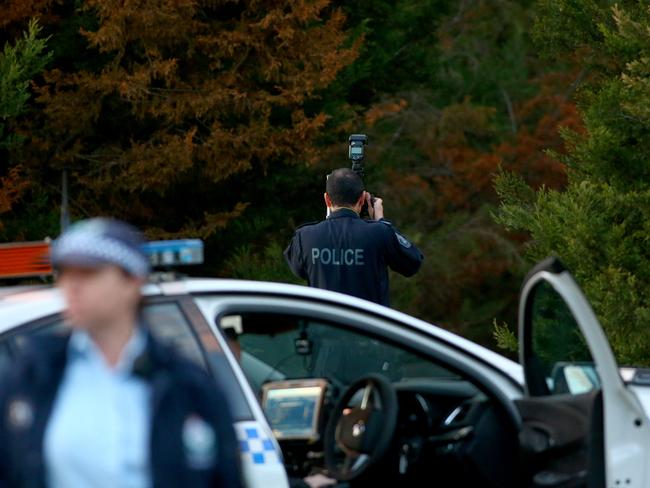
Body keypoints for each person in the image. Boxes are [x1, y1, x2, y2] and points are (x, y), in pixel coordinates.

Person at [0, 218, 242, 488]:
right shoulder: (31, 374)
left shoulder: (186, 384)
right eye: (66, 273)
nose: (72, 286)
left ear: (133, 282)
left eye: (89, 273)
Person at [284, 168, 423, 306]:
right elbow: (413, 262)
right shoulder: (380, 233)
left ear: (327, 199)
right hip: (366, 326)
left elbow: (299, 270)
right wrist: (382, 221)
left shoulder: (305, 236)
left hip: (324, 326)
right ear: (362, 199)